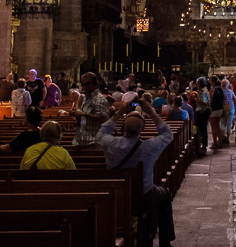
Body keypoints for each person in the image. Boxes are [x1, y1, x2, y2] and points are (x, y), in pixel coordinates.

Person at [97, 100, 175, 247]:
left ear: (122, 127)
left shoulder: (110, 143)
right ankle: (165, 242)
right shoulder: (149, 146)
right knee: (165, 194)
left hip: (116, 198)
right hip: (143, 198)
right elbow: (168, 133)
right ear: (142, 129)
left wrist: (119, 113)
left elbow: (102, 131)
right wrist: (151, 112)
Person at [72, 71, 112, 147]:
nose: (85, 86)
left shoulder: (100, 100)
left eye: (88, 84)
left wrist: (85, 114)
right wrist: (77, 115)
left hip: (94, 142)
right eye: (83, 84)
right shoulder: (86, 99)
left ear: (95, 84)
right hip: (83, 141)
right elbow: (83, 120)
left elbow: (103, 119)